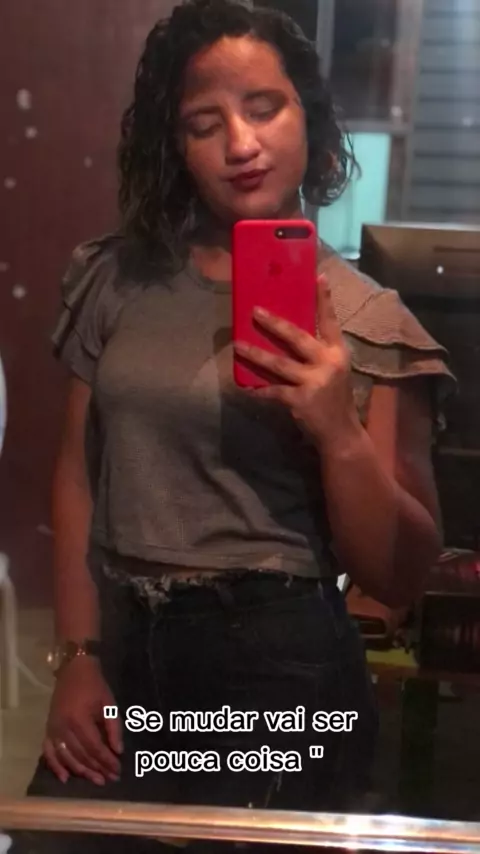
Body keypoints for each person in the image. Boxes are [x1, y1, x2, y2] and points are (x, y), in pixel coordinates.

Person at [12, 0, 455, 850]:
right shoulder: (114, 278)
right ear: (174, 145)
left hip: (276, 667)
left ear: (308, 119)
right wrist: (79, 658)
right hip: (123, 649)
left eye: (264, 108)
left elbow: (399, 574)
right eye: (203, 123)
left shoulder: (370, 320)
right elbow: (76, 475)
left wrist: (338, 432)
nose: (240, 144)